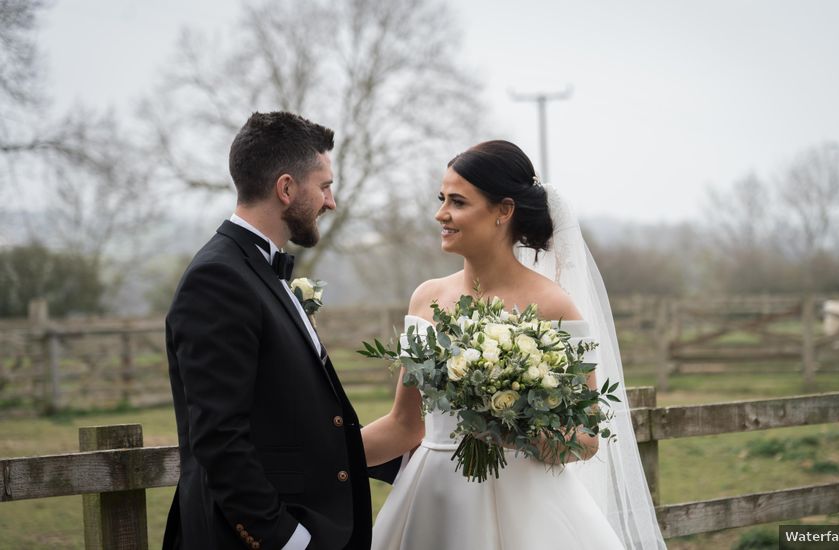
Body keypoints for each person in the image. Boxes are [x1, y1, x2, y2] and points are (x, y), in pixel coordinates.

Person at [362, 140, 666, 549]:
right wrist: (320, 457)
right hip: (432, 502)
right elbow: (404, 425)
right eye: (441, 199)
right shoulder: (426, 299)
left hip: (528, 511)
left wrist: (517, 429)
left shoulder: (553, 306)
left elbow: (588, 438)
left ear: (504, 211)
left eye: (458, 202)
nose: (441, 214)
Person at [163, 111, 398, 550]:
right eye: (325, 186)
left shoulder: (257, 270)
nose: (331, 202)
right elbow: (219, 439)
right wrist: (287, 540)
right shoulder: (217, 279)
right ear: (286, 188)